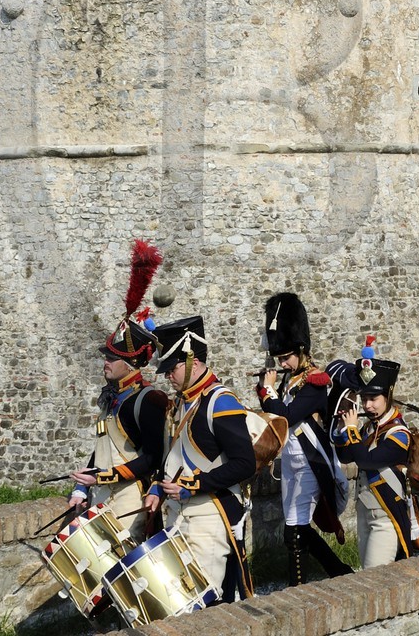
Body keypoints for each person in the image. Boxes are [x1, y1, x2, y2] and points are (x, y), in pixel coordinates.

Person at [145, 316, 255, 602]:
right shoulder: (183, 402)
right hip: (176, 514)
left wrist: (195, 484)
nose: (167, 376)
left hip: (208, 517)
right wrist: (159, 485)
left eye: (172, 368)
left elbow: (245, 464)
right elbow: (174, 457)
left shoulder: (221, 401)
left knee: (204, 607)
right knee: (177, 604)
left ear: (191, 361)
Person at [66, 240, 169, 537]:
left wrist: (105, 477)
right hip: (100, 493)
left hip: (129, 498)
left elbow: (153, 457)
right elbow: (102, 449)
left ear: (133, 363)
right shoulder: (111, 397)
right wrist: (80, 487)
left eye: (114, 357)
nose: (107, 362)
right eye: (108, 356)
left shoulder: (148, 400)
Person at [257, 293, 351, 586]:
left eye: (286, 357)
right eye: (279, 358)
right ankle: (338, 570)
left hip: (311, 462)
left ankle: (296, 589)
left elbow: (285, 415)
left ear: (301, 350)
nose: (282, 363)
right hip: (290, 461)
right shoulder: (292, 380)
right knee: (296, 528)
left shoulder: (315, 382)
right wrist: (269, 390)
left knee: (293, 533)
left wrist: (267, 391)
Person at [331, 345, 419, 568]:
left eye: (374, 398)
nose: (367, 405)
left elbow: (366, 460)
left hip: (386, 518)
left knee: (375, 580)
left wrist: (352, 430)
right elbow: (345, 457)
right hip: (365, 514)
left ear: (388, 395)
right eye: (364, 399)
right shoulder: (368, 429)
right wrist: (341, 427)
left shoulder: (399, 433)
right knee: (367, 576)